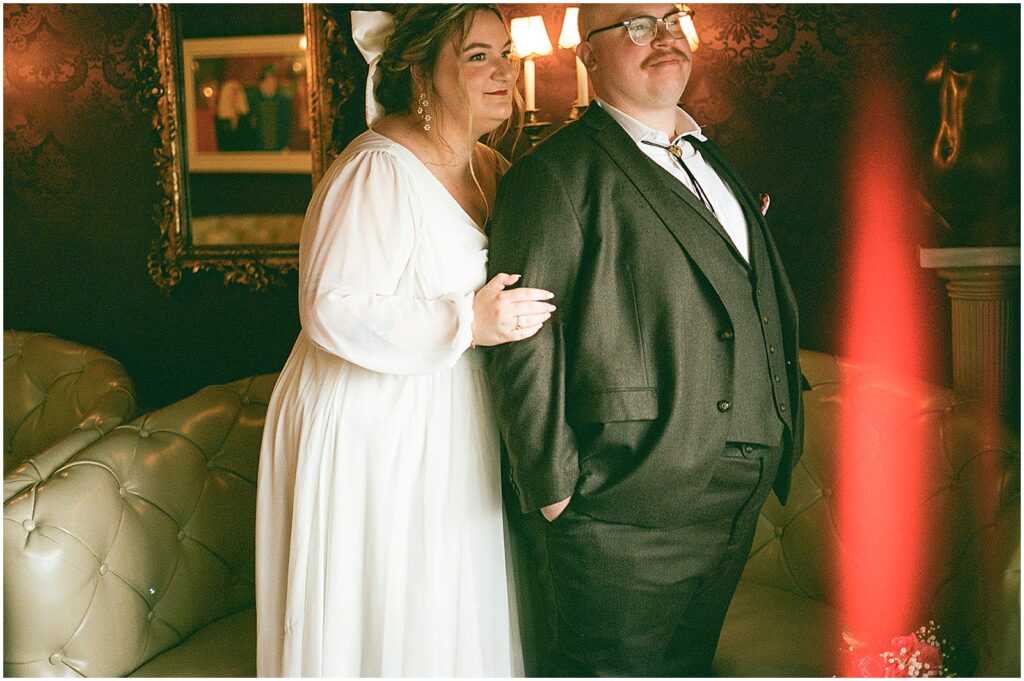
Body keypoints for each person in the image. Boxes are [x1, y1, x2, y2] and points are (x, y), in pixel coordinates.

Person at [485, 4, 804, 676]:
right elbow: (522, 337)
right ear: (587, 57)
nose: (662, 35)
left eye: (671, 17)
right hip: (625, 503)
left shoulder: (712, 158)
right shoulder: (553, 177)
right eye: (634, 24)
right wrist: (555, 491)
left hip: (737, 492)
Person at [256, 5, 555, 676]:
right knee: (390, 609)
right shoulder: (378, 170)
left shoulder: (491, 169)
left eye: (505, 53)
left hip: (446, 418)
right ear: (422, 71)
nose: (503, 71)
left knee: (443, 610)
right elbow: (331, 306)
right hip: (371, 426)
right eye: (478, 55)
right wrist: (465, 323)